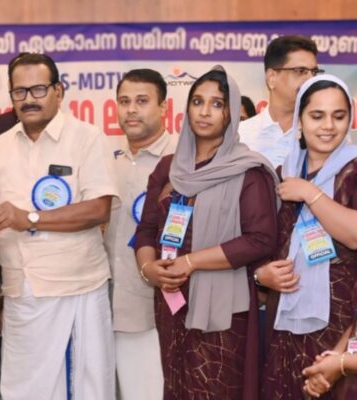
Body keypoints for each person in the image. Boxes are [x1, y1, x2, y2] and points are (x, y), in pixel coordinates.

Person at [134, 66, 278, 400]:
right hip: (172, 300)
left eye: (217, 104)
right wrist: (148, 269)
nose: (204, 111)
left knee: (217, 387)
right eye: (198, 101)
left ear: (231, 112)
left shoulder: (248, 170)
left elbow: (260, 239)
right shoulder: (168, 168)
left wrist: (191, 262)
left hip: (224, 307)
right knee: (177, 385)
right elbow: (147, 230)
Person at [0, 52, 119, 399]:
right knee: (22, 391)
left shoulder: (87, 137)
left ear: (59, 91)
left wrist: (29, 219)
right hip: (19, 293)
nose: (28, 99)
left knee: (82, 389)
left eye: (38, 89)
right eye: (19, 91)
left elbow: (99, 209)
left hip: (74, 290)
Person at [258, 75, 357, 399]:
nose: (328, 126)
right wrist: (262, 276)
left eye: (338, 116)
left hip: (342, 324)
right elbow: (263, 243)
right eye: (317, 116)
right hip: (283, 321)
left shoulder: (353, 169)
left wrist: (311, 194)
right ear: (299, 120)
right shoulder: (282, 174)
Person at [104, 68, 177, 400]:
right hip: (101, 306)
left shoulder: (182, 161)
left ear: (163, 107)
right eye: (124, 101)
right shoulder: (105, 159)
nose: (131, 109)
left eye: (142, 101)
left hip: (153, 311)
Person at [239, 35, 321, 167]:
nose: (311, 80)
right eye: (300, 71)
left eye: (314, 73)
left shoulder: (325, 134)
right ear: (271, 78)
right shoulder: (240, 135)